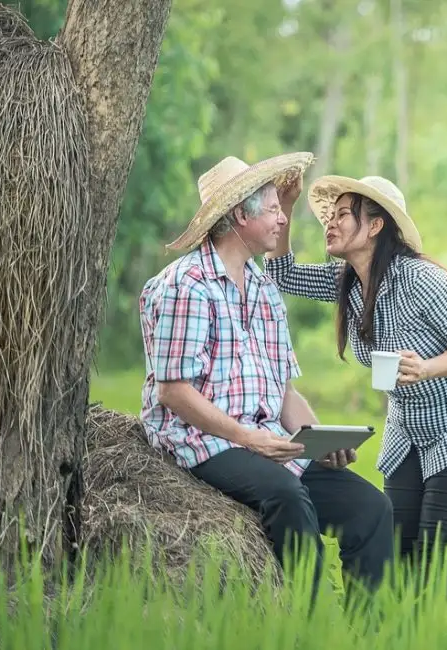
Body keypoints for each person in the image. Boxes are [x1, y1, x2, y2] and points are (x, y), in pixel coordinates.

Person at [138, 153, 394, 602]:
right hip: (203, 439)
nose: (283, 218)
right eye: (274, 208)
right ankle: (309, 627)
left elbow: (283, 390)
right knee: (288, 496)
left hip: (264, 440)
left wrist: (319, 436)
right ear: (241, 215)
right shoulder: (187, 285)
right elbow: (174, 393)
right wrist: (249, 438)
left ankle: (364, 636)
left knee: (371, 508)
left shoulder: (262, 290)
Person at [262, 173, 447, 596]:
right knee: (392, 548)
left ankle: (425, 636)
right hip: (407, 429)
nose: (329, 224)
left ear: (375, 226)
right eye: (329, 216)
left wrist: (426, 368)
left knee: (431, 556)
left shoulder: (418, 279)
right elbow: (282, 275)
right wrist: (286, 205)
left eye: (342, 216)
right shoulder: (347, 282)